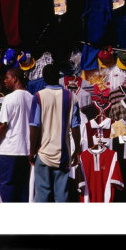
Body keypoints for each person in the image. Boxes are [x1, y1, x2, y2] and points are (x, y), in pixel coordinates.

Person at [29, 64, 81, 202]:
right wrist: (77, 150)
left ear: (44, 79)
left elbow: (34, 126)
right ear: (59, 78)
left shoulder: (38, 96)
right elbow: (75, 127)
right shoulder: (71, 97)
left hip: (43, 152)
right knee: (61, 195)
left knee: (42, 194)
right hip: (63, 154)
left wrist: (31, 151)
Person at [0, 68, 33, 202]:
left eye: (7, 78)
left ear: (15, 78)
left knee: (6, 186)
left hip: (9, 150)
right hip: (25, 151)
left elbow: (3, 124)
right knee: (23, 187)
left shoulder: (9, 98)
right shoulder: (32, 98)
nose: (4, 81)